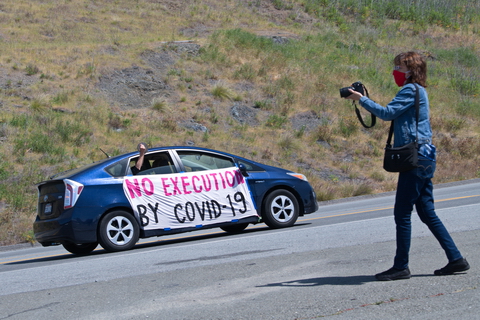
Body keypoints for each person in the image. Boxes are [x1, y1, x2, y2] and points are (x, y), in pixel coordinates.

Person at [344, 51, 470, 281]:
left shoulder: (410, 90)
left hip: (415, 158)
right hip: (425, 156)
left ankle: (401, 266)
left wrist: (360, 99)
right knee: (427, 211)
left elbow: (387, 113)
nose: (396, 72)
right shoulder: (420, 91)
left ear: (411, 70)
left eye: (399, 68)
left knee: (402, 212)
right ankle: (456, 259)